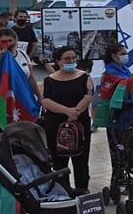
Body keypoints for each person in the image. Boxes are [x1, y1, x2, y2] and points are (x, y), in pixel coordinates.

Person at [39, 45, 94, 192]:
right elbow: (45, 100)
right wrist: (67, 111)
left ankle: (82, 191)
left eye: (73, 58)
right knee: (59, 161)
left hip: (80, 123)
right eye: (67, 59)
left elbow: (88, 95)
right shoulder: (49, 80)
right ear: (58, 61)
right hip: (55, 124)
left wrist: (76, 111)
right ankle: (62, 192)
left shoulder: (84, 77)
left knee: (81, 161)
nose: (71, 61)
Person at [0, 27, 41, 133]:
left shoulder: (23, 55)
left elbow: (31, 78)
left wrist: (39, 97)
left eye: (10, 40)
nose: (8, 44)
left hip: (19, 99)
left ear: (15, 40)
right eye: (4, 41)